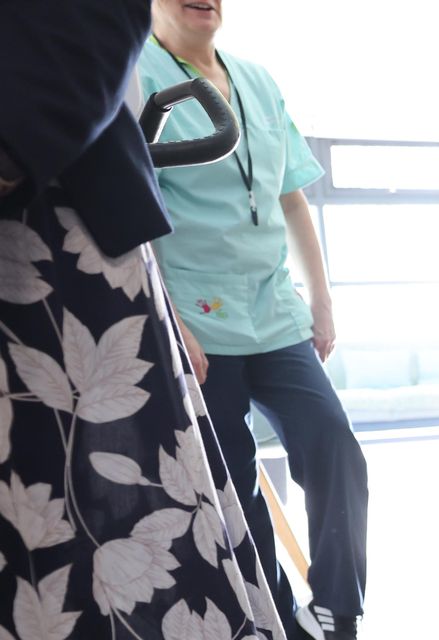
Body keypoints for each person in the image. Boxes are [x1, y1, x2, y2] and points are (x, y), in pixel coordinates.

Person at [0, 1, 287, 637]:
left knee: (114, 529)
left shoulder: (256, 82)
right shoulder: (161, 74)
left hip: (44, 229)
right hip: (179, 295)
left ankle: (331, 608)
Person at [137, 2, 368, 639]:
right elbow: (131, 204)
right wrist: (166, 315)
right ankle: (272, 614)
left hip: (274, 307)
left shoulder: (258, 80)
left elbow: (291, 196)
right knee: (235, 482)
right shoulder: (137, 76)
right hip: (195, 313)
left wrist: (320, 297)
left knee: (333, 444)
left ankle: (337, 609)